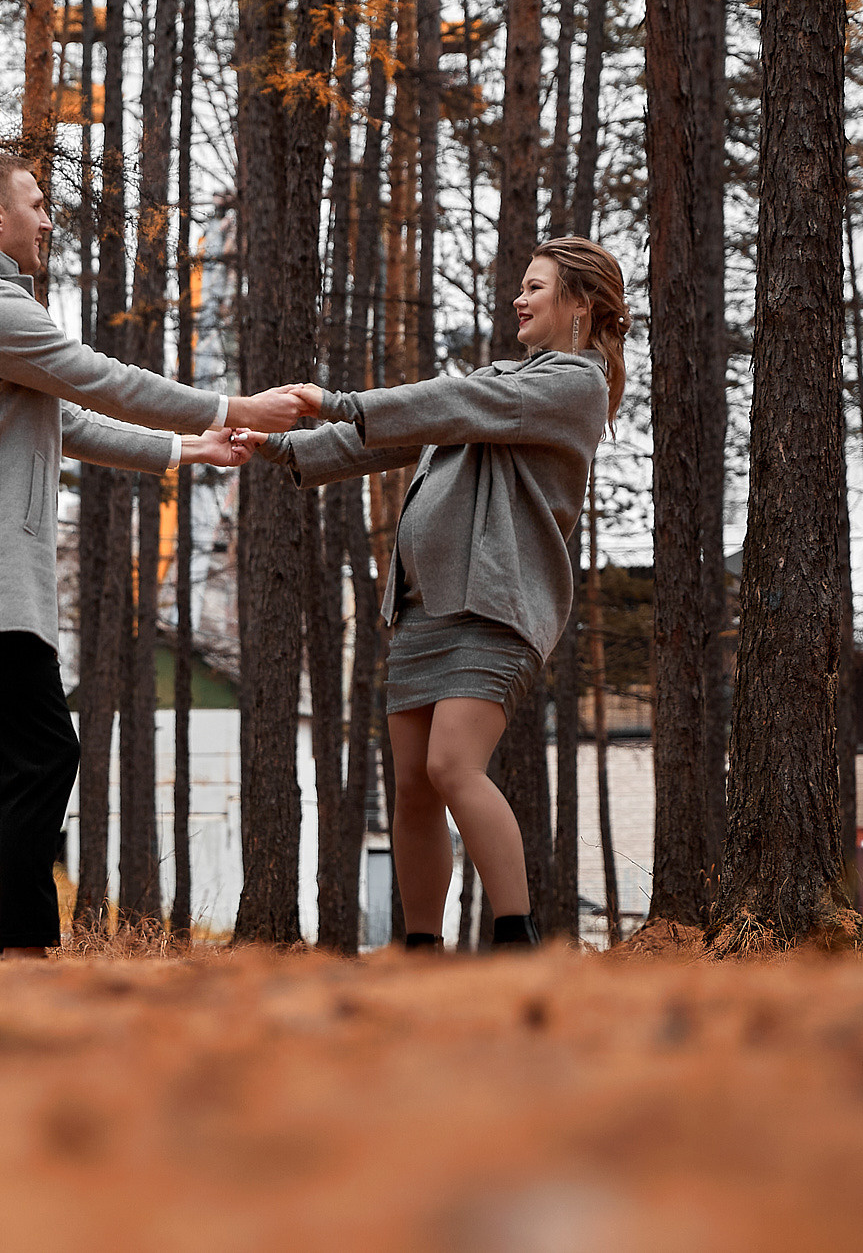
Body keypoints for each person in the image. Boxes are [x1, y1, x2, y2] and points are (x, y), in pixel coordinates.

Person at [0, 150, 310, 959]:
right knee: (43, 753)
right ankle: (21, 951)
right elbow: (101, 379)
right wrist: (233, 405)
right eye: (36, 203)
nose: (48, 219)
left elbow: (67, 422)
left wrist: (190, 449)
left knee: (9, 762)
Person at [243, 236, 628, 952]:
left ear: (580, 302)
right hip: (424, 610)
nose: (519, 298)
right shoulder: (500, 387)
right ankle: (421, 951)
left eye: (535, 287)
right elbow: (390, 441)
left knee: (452, 765)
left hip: (493, 609)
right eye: (521, 285)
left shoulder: (574, 384)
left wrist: (339, 400)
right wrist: (278, 446)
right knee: (414, 788)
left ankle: (516, 939)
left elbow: (456, 400)